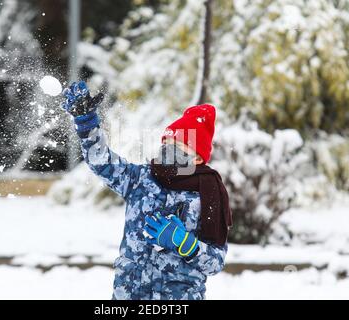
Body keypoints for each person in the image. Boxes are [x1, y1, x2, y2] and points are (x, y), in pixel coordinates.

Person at [62, 81, 232, 300]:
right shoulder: (141, 179)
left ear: (197, 157)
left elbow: (215, 263)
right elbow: (101, 161)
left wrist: (185, 243)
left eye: (178, 145)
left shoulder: (208, 195)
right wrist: (86, 126)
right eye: (167, 142)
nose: (168, 149)